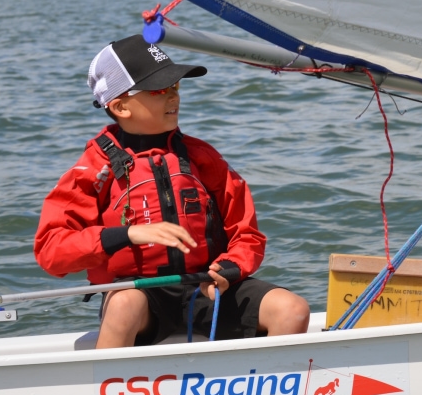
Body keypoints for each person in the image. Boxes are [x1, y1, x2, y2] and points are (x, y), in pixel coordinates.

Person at [34, 35, 310, 348]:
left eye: (176, 87)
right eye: (159, 90)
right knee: (124, 306)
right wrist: (127, 235)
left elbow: (247, 235)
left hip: (206, 287)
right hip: (139, 295)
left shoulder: (203, 157)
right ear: (120, 106)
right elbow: (51, 252)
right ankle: (105, 392)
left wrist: (232, 267)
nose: (173, 97)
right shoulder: (93, 169)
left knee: (293, 309)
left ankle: (266, 393)